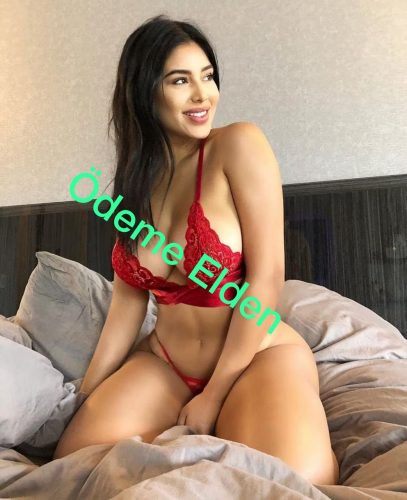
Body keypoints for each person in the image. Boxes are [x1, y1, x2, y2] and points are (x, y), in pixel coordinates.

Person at [53, 14, 339, 485]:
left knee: (298, 480)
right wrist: (86, 393)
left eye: (207, 76)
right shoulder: (135, 181)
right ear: (144, 92)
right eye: (180, 80)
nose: (203, 95)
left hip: (254, 357)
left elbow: (266, 278)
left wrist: (214, 395)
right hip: (166, 362)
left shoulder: (238, 145)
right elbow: (128, 300)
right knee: (71, 466)